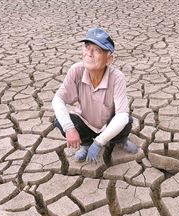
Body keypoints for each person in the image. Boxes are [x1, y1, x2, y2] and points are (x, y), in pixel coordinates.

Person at [52, 27, 139, 163]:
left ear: (109, 59)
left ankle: (121, 140)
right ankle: (85, 144)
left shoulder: (117, 77)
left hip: (107, 125)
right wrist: (69, 129)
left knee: (126, 121)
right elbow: (58, 100)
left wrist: (99, 142)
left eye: (97, 50)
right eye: (87, 47)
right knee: (60, 120)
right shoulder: (76, 71)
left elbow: (121, 116)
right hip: (86, 122)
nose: (89, 53)